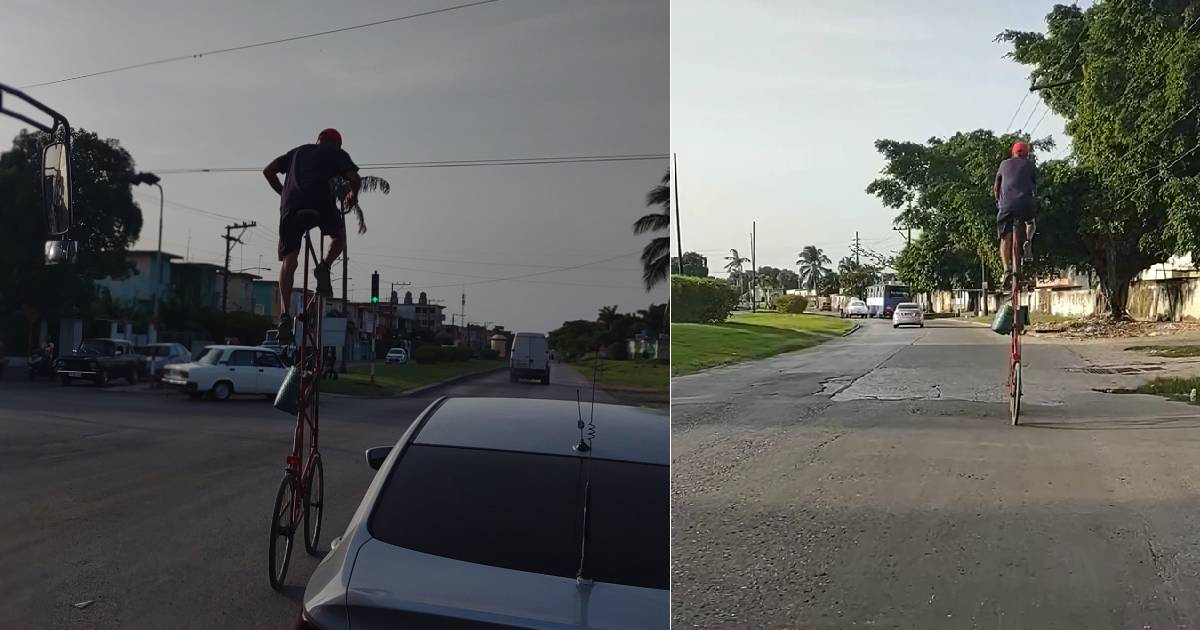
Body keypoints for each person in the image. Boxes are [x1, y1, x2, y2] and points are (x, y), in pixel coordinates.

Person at [264, 128, 361, 344]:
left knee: (290, 260)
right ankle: (324, 266)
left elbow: (268, 171)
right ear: (337, 145)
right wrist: (352, 196)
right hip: (320, 204)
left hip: (291, 208)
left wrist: (283, 194)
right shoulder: (335, 153)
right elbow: (355, 178)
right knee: (338, 238)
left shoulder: (296, 152)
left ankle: (284, 315)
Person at [994, 141, 1038, 285]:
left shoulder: (1003, 164)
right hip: (1025, 204)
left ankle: (1007, 269)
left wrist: (998, 202)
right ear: (1026, 153)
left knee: (1004, 238)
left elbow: (996, 187)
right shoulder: (1030, 165)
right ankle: (1028, 241)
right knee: (1031, 223)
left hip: (1006, 206)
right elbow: (1034, 186)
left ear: (1013, 152)